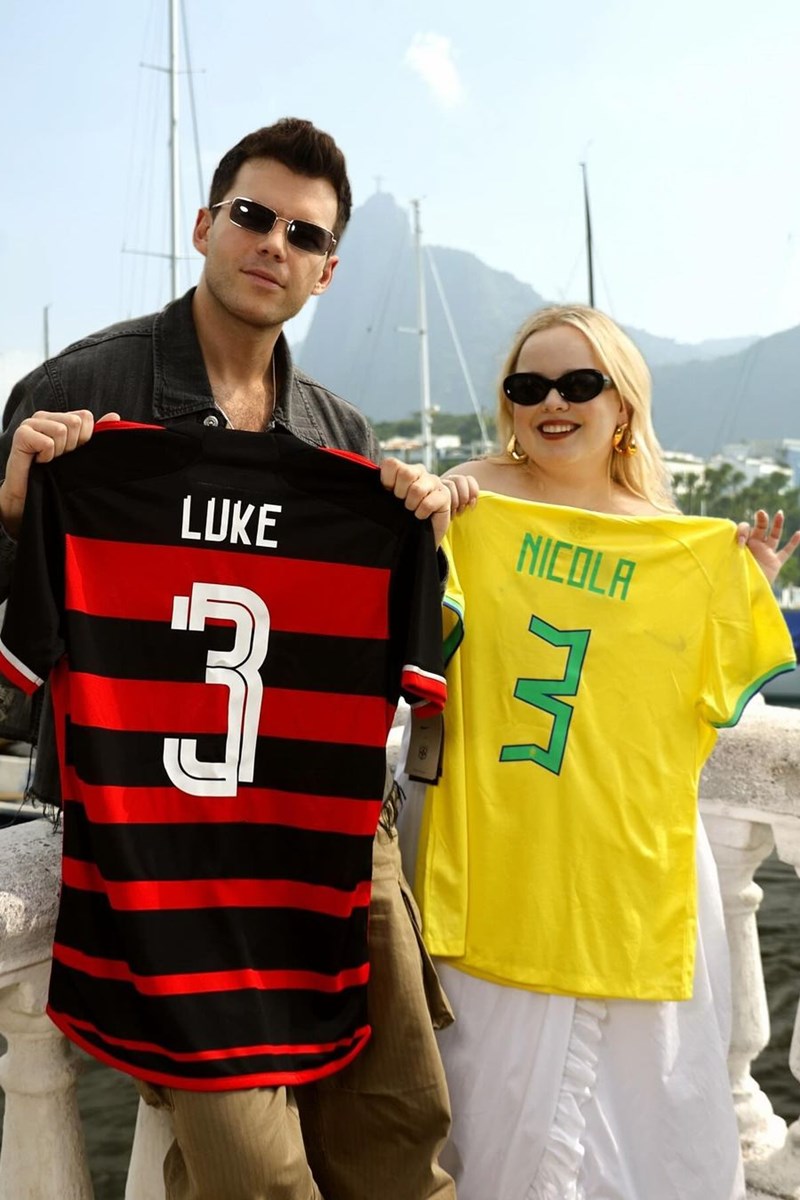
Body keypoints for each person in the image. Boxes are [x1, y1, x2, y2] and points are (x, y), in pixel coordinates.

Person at [0, 118, 456, 1200]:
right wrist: (16, 510)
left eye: (303, 234)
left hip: (331, 831)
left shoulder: (338, 439)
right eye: (252, 217)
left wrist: (423, 527)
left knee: (399, 1122)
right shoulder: (81, 397)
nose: (273, 245)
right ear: (204, 225)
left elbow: (423, 648)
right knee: (254, 1174)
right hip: (164, 852)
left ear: (327, 269)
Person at [401, 304, 799, 1200]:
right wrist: (427, 522)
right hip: (498, 858)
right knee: (486, 1106)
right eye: (527, 385)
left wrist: (746, 589)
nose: (553, 402)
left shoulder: (674, 543)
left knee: (644, 1116)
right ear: (506, 403)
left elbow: (708, 680)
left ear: (621, 404)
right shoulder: (471, 499)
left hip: (625, 871)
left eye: (579, 384)